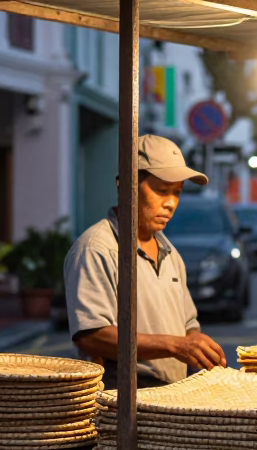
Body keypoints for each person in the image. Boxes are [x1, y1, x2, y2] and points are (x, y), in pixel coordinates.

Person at [64, 134, 227, 389]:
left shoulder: (169, 251)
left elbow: (187, 324)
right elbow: (91, 336)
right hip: (123, 395)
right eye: (161, 190)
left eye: (177, 192)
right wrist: (176, 346)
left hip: (173, 393)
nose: (171, 203)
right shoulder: (96, 248)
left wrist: (195, 345)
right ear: (125, 185)